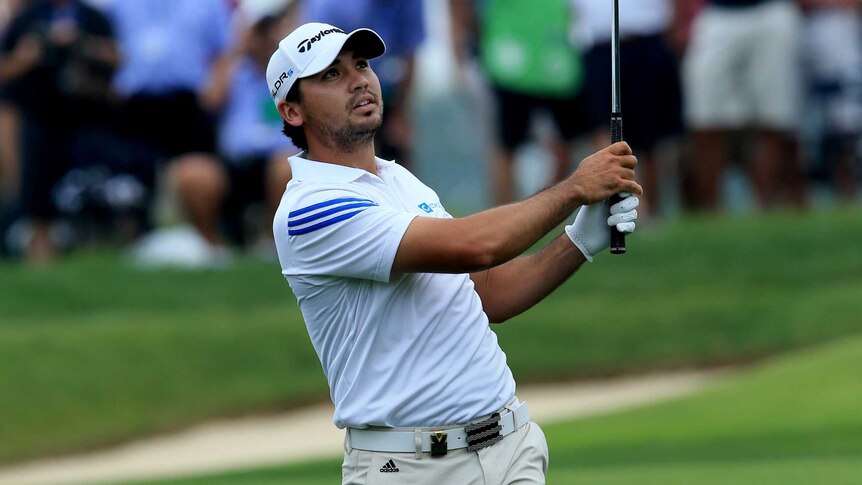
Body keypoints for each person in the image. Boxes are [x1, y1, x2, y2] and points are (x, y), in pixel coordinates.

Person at [268, 22, 641, 484]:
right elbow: (476, 247)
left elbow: (486, 294)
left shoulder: (398, 180)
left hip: (510, 449)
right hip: (409, 468)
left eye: (361, 65)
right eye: (330, 75)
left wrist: (579, 241)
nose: (359, 80)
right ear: (292, 111)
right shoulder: (309, 208)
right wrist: (574, 188)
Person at [0, 0, 118, 263]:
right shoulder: (28, 19)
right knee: (37, 187)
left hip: (89, 117)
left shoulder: (92, 17)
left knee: (93, 184)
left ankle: (96, 248)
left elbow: (118, 59)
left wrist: (84, 45)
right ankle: (40, 251)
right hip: (40, 118)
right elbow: (5, 70)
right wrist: (26, 56)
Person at [451, 0, 598, 205]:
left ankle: (541, 208)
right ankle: (506, 216)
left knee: (569, 143)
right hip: (510, 59)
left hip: (557, 60)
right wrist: (460, 47)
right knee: (506, 146)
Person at [683, 0, 808, 211]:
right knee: (704, 118)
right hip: (718, 13)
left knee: (775, 118)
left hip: (772, 10)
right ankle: (712, 212)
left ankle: (765, 208)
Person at [573, 0, 684, 217]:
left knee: (651, 138)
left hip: (648, 37)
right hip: (597, 43)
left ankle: (650, 210)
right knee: (603, 127)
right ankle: (638, 210)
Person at [300, 0, 425, 170]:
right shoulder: (331, 5)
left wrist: (399, 114)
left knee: (399, 150)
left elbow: (410, 53)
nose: (362, 81)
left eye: (362, 64)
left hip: (390, 93)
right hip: (337, 99)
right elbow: (313, 68)